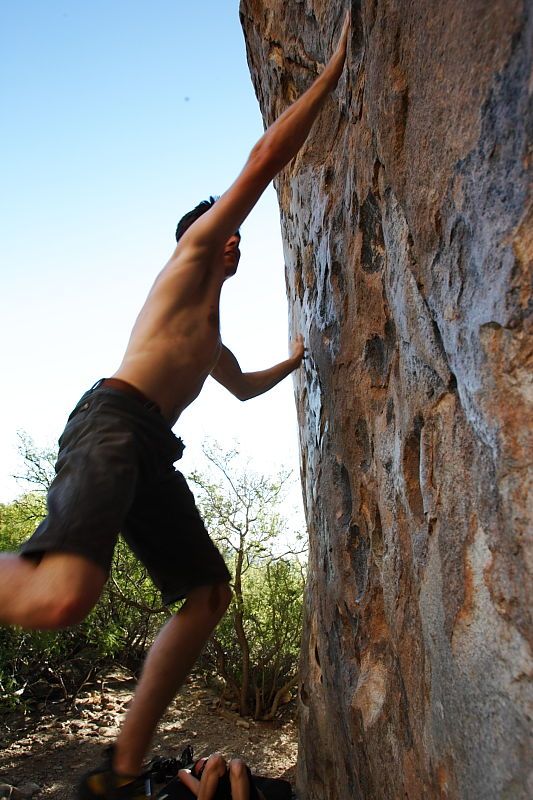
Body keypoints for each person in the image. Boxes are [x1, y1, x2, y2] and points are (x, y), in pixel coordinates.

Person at [0, 11, 350, 800]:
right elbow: (262, 161)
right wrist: (328, 76)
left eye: (231, 238)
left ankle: (119, 771)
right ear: (195, 236)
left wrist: (300, 357)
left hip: (149, 446)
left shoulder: (209, 334)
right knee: (60, 596)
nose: (229, 241)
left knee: (206, 597)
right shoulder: (186, 262)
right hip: (112, 423)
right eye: (215, 229)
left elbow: (244, 386)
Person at [178, 754, 265, 800]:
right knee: (216, 759)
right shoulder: (202, 789)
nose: (207, 764)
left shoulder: (234, 771)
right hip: (216, 793)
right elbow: (182, 772)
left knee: (236, 763)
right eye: (203, 769)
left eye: (207, 762)